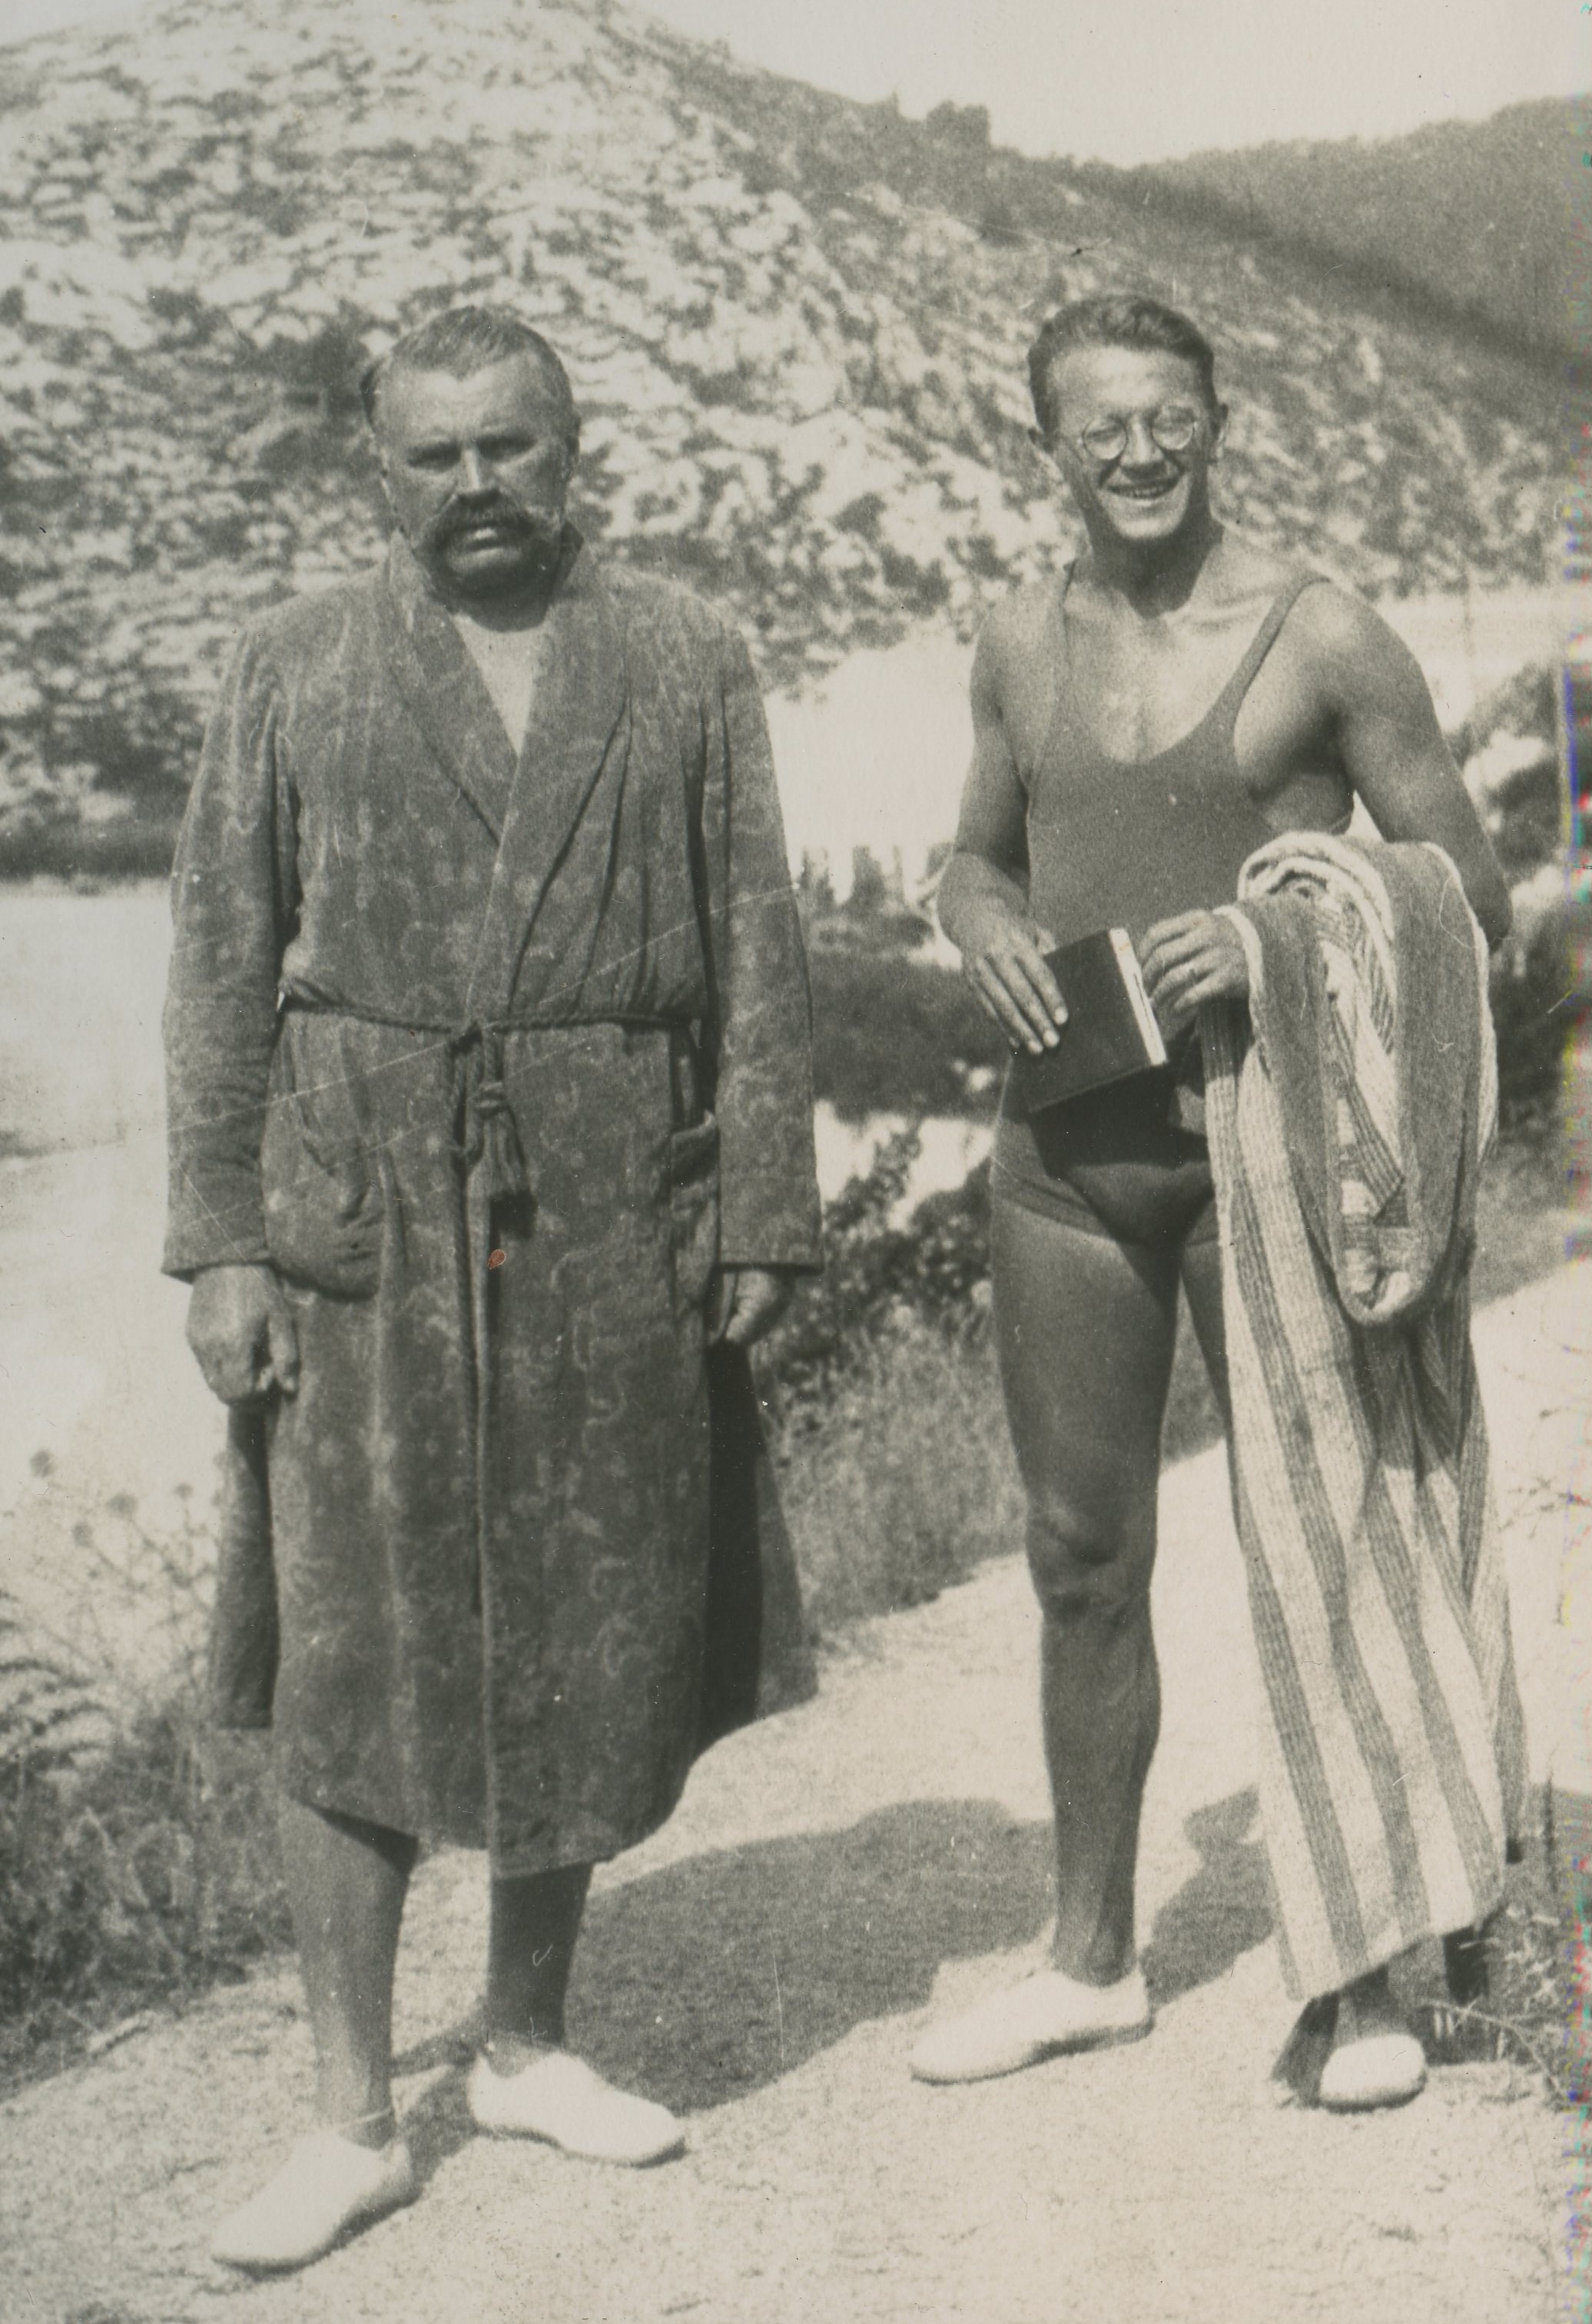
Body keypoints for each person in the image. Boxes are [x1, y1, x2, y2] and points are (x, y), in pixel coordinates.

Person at [164, 306, 821, 2271]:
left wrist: (762, 1206)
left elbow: (760, 945)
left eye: (507, 446)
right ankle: (353, 2117)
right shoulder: (290, 662)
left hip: (614, 1195)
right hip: (361, 1208)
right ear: (382, 469)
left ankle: (528, 2040)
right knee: (350, 1647)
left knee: (590, 1618)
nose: (474, 486)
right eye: (433, 454)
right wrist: (222, 1242)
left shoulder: (686, 656)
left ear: (569, 446)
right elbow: (219, 968)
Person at [913, 293, 1520, 2107]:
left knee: (1323, 1540)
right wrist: (979, 918)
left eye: (1168, 415)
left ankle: (1364, 1977)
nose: (1138, 450)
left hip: (1270, 1159)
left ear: (1218, 421)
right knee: (1078, 1557)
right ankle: (1089, 1960)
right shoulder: (1015, 639)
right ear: (1048, 444)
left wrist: (1268, 935)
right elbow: (973, 851)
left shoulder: (1316, 630)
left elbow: (1467, 883)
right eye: (1099, 423)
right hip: (1066, 1168)